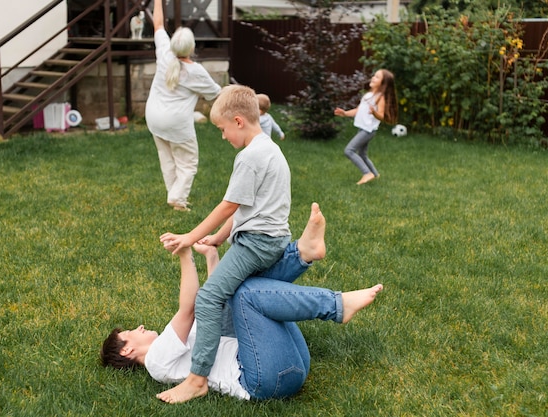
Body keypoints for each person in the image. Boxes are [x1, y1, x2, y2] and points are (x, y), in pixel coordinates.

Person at [100, 203, 384, 401]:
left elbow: (217, 302)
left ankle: (303, 253)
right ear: (127, 351)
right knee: (247, 294)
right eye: (129, 333)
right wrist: (185, 255)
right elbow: (188, 308)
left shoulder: (178, 348)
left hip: (288, 363)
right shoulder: (155, 361)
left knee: (236, 290)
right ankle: (333, 305)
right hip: (263, 378)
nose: (138, 327)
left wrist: (212, 256)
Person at [156, 84, 293, 402]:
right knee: (241, 296)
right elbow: (246, 205)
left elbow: (228, 205)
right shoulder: (269, 147)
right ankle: (302, 254)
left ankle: (197, 378)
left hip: (256, 244)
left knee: (207, 300)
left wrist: (189, 237)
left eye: (222, 129)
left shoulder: (250, 157)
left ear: (238, 121)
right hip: (271, 237)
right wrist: (218, 238)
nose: (222, 136)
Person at [145, 0, 221, 211]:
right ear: (192, 47)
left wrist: (158, 1)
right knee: (187, 163)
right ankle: (177, 198)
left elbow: (158, 24)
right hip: (176, 123)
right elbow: (216, 94)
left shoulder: (163, 53)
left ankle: (174, 196)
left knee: (167, 159)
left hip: (153, 117)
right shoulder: (197, 71)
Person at [334, 69, 398, 185]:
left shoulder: (380, 98)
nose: (373, 77)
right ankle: (375, 174)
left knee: (349, 150)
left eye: (377, 77)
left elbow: (381, 116)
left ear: (383, 83)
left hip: (368, 130)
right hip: (363, 129)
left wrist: (374, 112)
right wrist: (345, 113)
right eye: (374, 75)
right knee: (362, 154)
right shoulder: (368, 95)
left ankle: (367, 173)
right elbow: (358, 110)